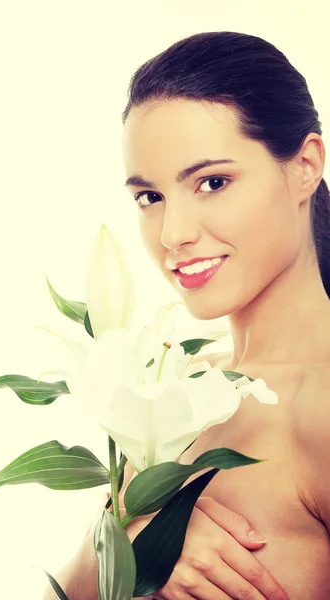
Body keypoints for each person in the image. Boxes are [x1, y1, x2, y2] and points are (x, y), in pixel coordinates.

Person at [43, 30, 330, 599]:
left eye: (213, 182)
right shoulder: (176, 389)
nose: (173, 234)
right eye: (150, 197)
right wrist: (124, 533)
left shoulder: (321, 405)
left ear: (304, 166)